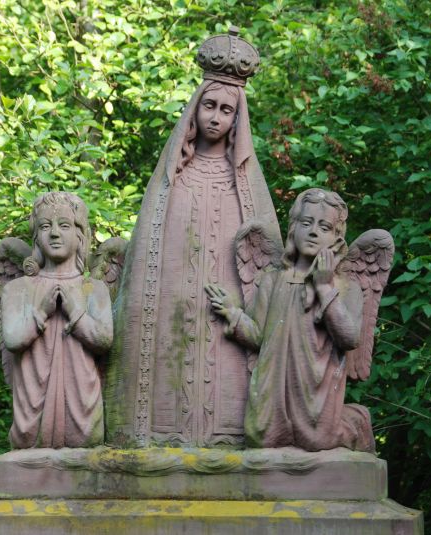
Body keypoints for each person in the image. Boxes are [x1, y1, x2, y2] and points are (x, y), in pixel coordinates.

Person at [106, 28, 282, 448]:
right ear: (195, 109)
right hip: (173, 304)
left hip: (228, 312)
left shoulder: (245, 184)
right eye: (209, 106)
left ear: (238, 118)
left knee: (224, 375)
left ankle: (231, 437)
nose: (216, 116)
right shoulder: (172, 178)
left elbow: (269, 264)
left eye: (227, 109)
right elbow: (149, 256)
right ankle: (159, 433)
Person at [206, 189, 375, 452]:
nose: (313, 231)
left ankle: (355, 421)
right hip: (274, 387)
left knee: (317, 441)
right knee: (260, 437)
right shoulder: (274, 280)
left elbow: (350, 337)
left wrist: (324, 287)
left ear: (336, 239)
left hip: (316, 391)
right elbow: (260, 335)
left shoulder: (345, 286)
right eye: (306, 223)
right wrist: (234, 315)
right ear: (293, 229)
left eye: (324, 227)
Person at [0, 192, 112, 448]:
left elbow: (105, 340)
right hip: (32, 412)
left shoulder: (94, 288)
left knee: (85, 443)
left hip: (82, 410)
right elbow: (13, 339)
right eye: (45, 226)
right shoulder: (18, 289)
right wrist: (41, 311)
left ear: (79, 233)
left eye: (64, 225)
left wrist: (77, 313)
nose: (54, 233)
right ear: (36, 236)